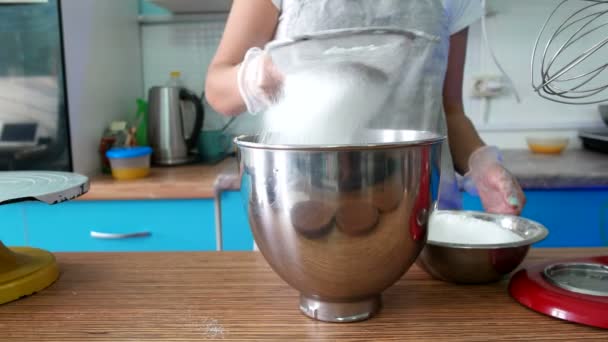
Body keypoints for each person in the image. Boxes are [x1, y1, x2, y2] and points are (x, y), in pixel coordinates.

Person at [205, 0, 526, 215]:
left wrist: (480, 163)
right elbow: (218, 89)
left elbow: (449, 109)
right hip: (304, 218)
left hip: (420, 221)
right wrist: (255, 75)